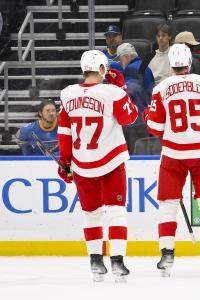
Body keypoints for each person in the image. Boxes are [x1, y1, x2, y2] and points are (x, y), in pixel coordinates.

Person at [142, 44, 200, 277]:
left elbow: (155, 127)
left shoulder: (161, 88)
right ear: (190, 62)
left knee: (168, 204)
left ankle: (167, 254)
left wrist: (148, 116)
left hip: (174, 154)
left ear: (171, 64)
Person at [57, 50, 138, 282]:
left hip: (82, 162)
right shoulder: (112, 92)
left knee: (90, 214)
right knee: (116, 211)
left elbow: (64, 131)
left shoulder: (67, 93)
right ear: (102, 69)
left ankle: (95, 261)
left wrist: (65, 162)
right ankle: (117, 261)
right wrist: (122, 89)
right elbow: (129, 118)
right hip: (111, 160)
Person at [116, 42, 153, 154]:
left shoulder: (130, 70)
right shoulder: (147, 68)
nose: (120, 62)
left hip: (135, 122)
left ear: (127, 56)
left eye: (120, 58)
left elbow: (129, 93)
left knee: (134, 153)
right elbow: (151, 92)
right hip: (146, 118)